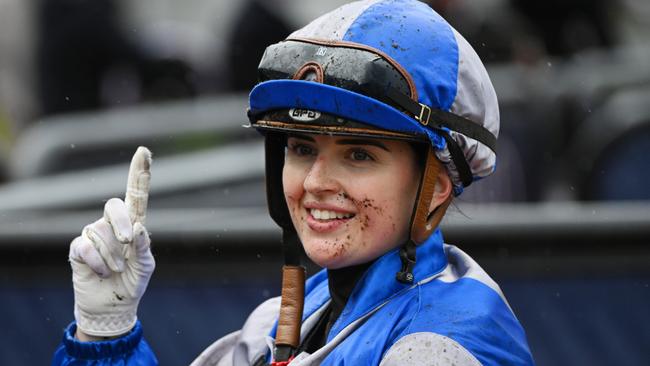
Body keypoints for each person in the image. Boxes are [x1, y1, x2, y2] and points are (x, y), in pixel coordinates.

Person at [52, 0, 535, 365]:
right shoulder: (280, 318)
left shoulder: (442, 344)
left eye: (359, 154)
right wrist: (106, 336)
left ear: (436, 186)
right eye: (302, 148)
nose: (317, 182)